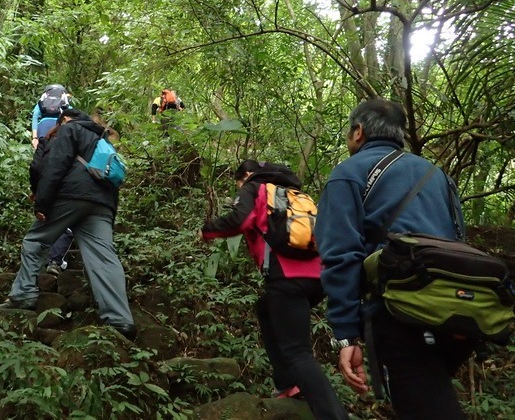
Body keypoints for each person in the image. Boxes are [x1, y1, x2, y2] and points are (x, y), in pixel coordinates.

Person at [315, 99, 472, 419]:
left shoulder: (349, 173)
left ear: (358, 132)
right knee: (429, 394)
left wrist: (346, 334)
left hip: (399, 311)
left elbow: (341, 255)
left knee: (424, 402)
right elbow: (459, 240)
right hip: (459, 309)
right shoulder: (437, 174)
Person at [200, 160, 348, 420]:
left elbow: (240, 219)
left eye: (238, 183)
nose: (238, 188)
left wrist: (207, 231)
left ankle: (333, 415)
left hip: (287, 278)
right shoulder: (295, 193)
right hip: (317, 278)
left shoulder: (254, 186)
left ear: (245, 175)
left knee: (298, 353)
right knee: (266, 308)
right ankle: (288, 383)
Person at [1, 108, 136, 339]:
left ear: (64, 119)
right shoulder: (101, 138)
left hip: (70, 196)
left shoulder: (69, 129)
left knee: (35, 241)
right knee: (104, 258)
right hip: (102, 203)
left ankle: (23, 294)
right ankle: (119, 319)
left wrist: (42, 202)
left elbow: (53, 164)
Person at [29, 119, 75, 277]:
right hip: (69, 192)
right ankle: (55, 260)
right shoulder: (79, 142)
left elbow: (36, 168)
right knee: (65, 226)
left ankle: (34, 274)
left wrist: (38, 193)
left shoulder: (48, 140)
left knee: (40, 232)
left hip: (50, 191)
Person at [31, 84, 71, 150]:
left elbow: (35, 118)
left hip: (43, 126)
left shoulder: (41, 103)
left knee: (41, 152)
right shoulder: (65, 104)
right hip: (59, 126)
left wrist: (34, 138)